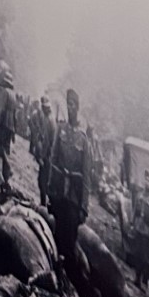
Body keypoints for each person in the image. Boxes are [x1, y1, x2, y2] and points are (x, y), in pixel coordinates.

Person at [46, 88, 93, 281]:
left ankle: (68, 280)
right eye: (68, 105)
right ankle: (52, 275)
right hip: (58, 193)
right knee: (54, 235)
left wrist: (84, 207)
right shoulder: (61, 130)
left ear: (78, 108)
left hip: (73, 197)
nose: (70, 108)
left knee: (69, 242)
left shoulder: (84, 139)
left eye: (73, 105)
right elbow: (53, 158)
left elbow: (87, 177)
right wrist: (49, 186)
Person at [133, 168, 149, 288]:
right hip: (139, 229)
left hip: (147, 233)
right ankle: (137, 279)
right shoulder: (139, 196)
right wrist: (133, 225)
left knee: (145, 257)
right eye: (146, 180)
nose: (147, 183)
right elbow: (135, 212)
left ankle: (145, 279)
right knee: (137, 254)